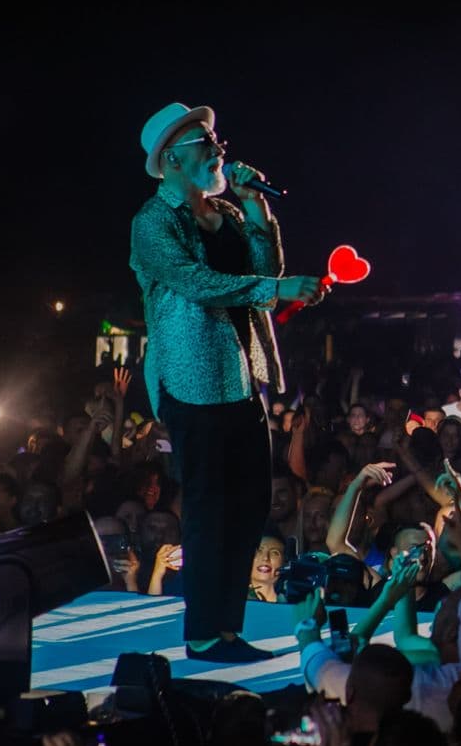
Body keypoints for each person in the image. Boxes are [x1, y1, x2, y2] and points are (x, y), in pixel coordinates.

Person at [129, 101, 325, 662]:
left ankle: (228, 629)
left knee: (249, 501)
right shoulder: (154, 221)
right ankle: (203, 633)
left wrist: (257, 206)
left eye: (219, 143)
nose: (219, 152)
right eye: (205, 146)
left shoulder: (229, 215)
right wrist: (277, 291)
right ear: (171, 160)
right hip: (192, 377)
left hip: (241, 372)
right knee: (211, 506)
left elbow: (266, 267)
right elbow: (198, 281)